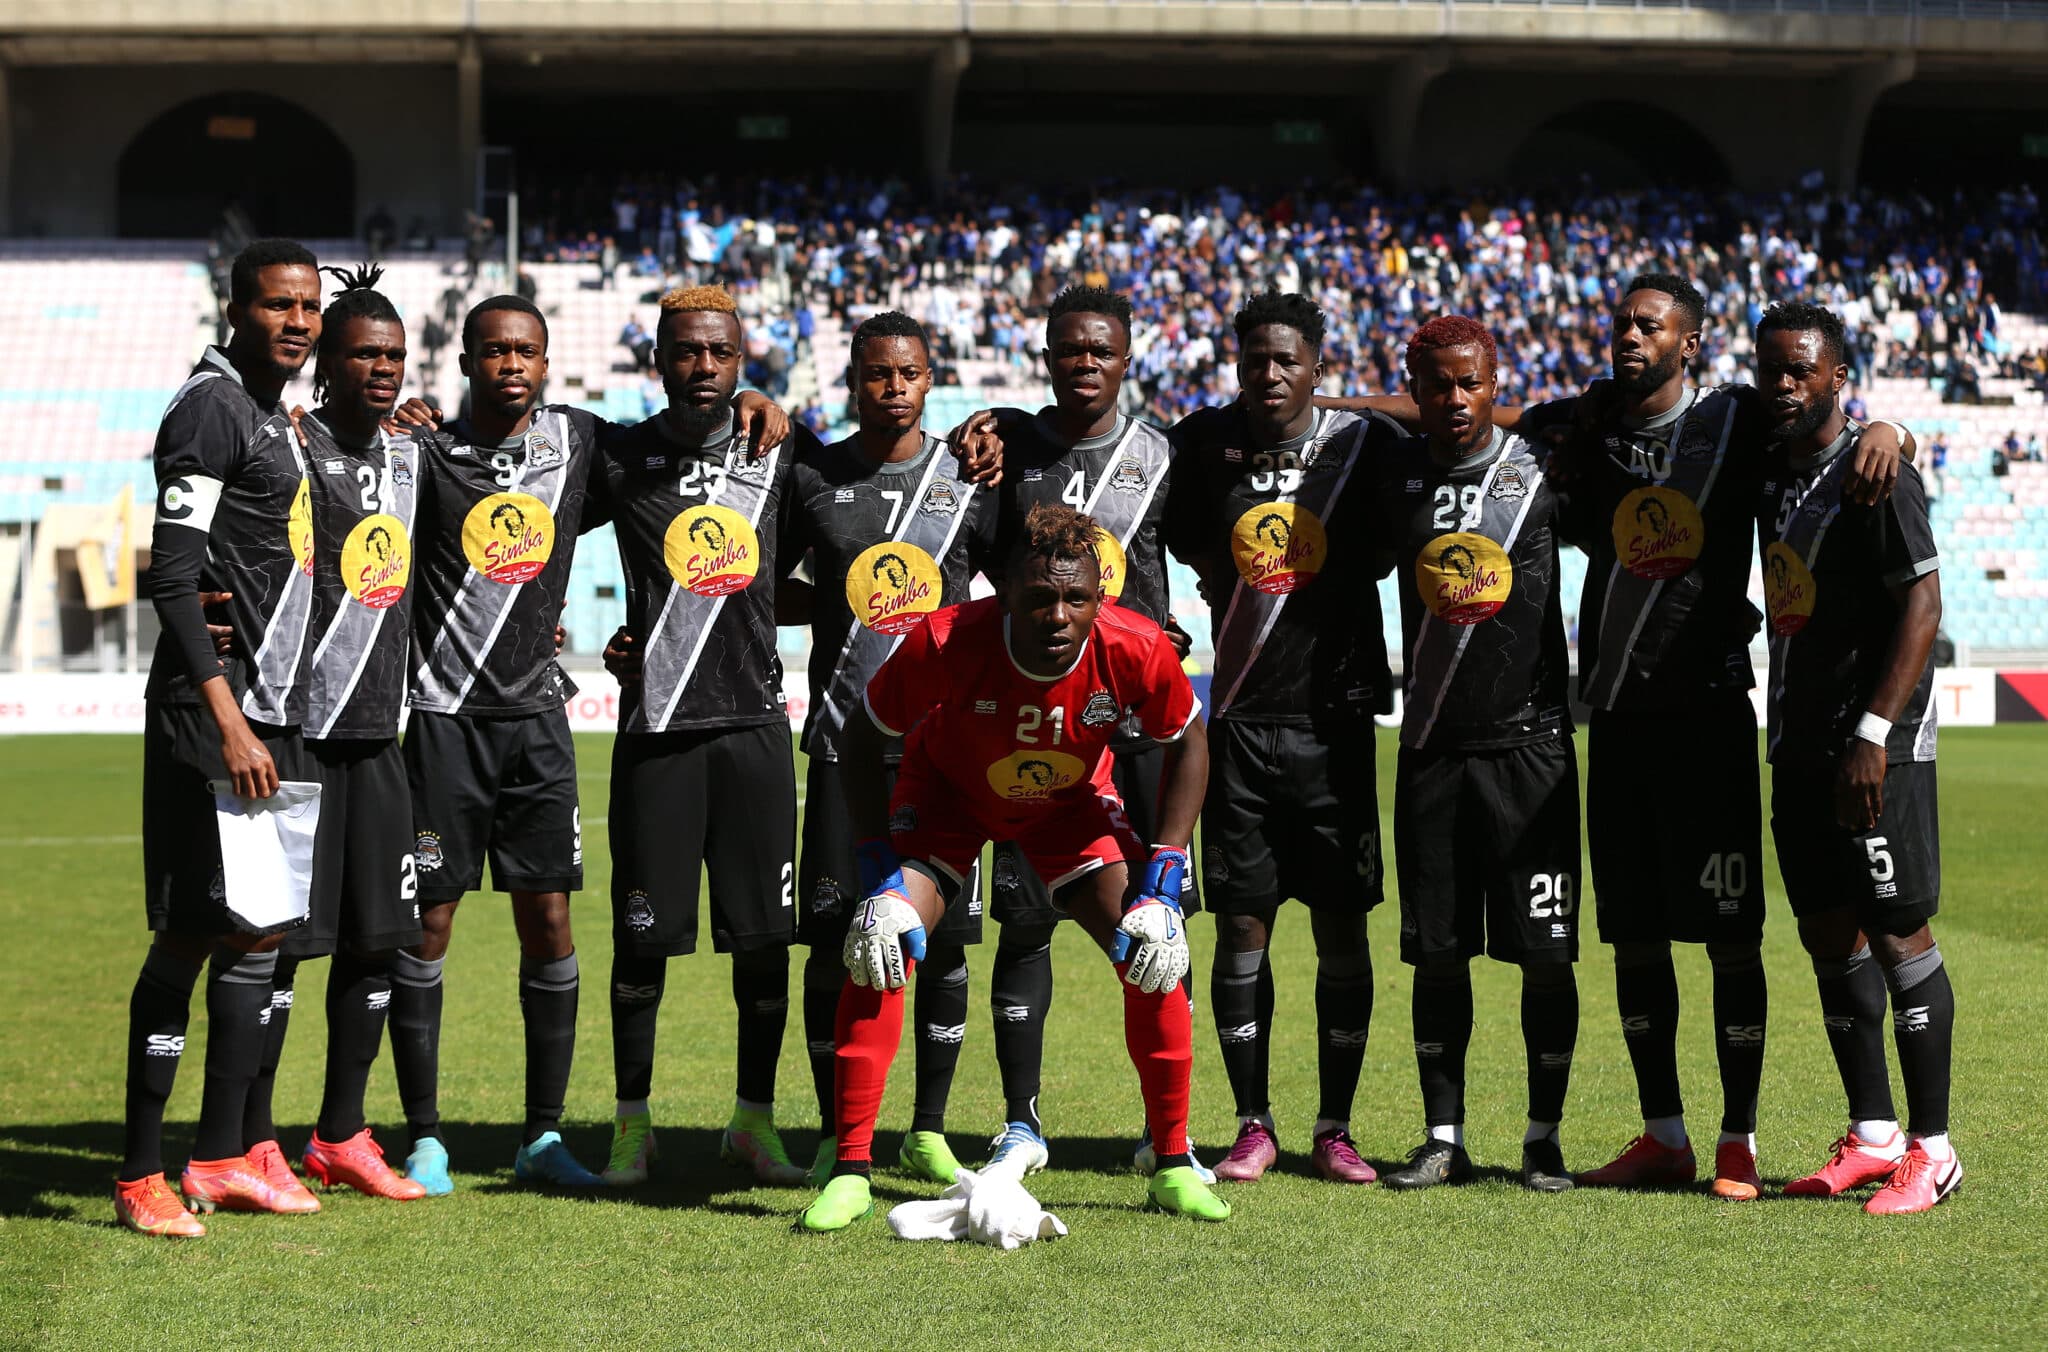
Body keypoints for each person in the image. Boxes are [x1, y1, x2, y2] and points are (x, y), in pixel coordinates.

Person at [1524, 274, 1908, 1200]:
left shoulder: (1736, 421)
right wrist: (1335, 398)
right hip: (1613, 716)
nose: (1627, 336)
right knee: (1635, 939)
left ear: (1688, 342)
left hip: (1708, 716)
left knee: (1732, 939)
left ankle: (1736, 1140)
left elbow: (1834, 425)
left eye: (1648, 325)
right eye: (1619, 321)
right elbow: (1457, 411)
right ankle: (1665, 1134)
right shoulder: (1585, 420)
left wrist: (1891, 427)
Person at [799, 504, 1229, 1230]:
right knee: (881, 938)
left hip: (1067, 805)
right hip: (950, 800)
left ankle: (1174, 1162)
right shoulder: (945, 639)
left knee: (1152, 945)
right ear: (1004, 592)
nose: (1058, 615)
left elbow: (1188, 741)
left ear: (1101, 597)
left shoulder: (1137, 645)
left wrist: (1163, 866)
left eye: (1077, 598)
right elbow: (863, 737)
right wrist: (877, 862)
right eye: (1039, 597)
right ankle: (850, 1168)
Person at [951, 285, 1200, 1177]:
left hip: (1138, 733)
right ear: (1047, 357)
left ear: (1126, 358)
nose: (1084, 364)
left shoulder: (1167, 454)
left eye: (1101, 351)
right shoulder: (1008, 454)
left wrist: (1174, 633)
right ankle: (1021, 1121)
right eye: (1069, 350)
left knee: (1157, 927)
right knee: (1025, 928)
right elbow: (973, 569)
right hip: (1043, 732)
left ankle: (1163, 1137)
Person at [384, 295, 616, 1193]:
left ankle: (543, 1138)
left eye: (525, 351)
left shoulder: (577, 442)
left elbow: (679, 453)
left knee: (549, 918)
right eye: (493, 351)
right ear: (468, 360)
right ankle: (427, 1137)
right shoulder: (426, 454)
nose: (510, 364)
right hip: (443, 722)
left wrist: (758, 406)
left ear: (547, 363)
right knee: (429, 919)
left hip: (537, 725)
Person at [1164, 292, 1398, 1184]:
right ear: (1236, 364)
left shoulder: (1359, 446)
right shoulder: (1200, 446)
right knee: (1242, 929)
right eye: (1254, 359)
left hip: (1335, 722)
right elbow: (1165, 538)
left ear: (1316, 367)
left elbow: (1434, 413)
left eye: (1287, 360)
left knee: (1342, 931)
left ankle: (1334, 1127)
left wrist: (1361, 406)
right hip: (1241, 727)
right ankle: (1253, 1124)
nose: (1269, 374)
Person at [119, 239, 327, 1237]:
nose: (296, 320)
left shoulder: (262, 412)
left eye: (308, 306)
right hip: (209, 720)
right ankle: (138, 1172)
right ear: (236, 309)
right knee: (194, 931)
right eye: (278, 304)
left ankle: (219, 1153)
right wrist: (229, 718)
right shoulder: (209, 406)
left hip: (261, 706)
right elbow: (170, 574)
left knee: (257, 926)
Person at [592, 285, 817, 1186]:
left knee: (764, 944)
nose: (704, 368)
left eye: (721, 354)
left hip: (756, 730)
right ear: (658, 360)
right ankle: (630, 1125)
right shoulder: (615, 458)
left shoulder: (779, 450)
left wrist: (746, 611)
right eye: (686, 352)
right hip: (658, 735)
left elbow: (822, 571)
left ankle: (752, 1123)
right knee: (643, 943)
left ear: (742, 360)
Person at [776, 311, 998, 1185]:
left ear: (930, 377)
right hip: (843, 748)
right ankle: (839, 1130)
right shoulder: (813, 479)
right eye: (876, 374)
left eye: (907, 373)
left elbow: (1013, 590)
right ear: (854, 380)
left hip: (947, 759)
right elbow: (773, 589)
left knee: (943, 947)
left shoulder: (969, 476)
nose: (893, 387)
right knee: (835, 942)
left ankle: (929, 1127)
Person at [1363, 316, 1580, 1193]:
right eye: (1437, 384)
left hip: (1533, 754)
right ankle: (1442, 1136)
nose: (1455, 400)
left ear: (1497, 385)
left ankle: (1542, 1137)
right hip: (1433, 752)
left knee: (1546, 955)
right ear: (1413, 389)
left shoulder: (1546, 466)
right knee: (1439, 955)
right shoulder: (1393, 473)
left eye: (1471, 383)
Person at [1751, 303, 1958, 1214]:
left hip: (1877, 748)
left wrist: (1874, 732)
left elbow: (1923, 607)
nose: (1786, 384)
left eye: (1803, 370)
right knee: (1827, 934)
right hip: (1798, 745)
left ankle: (1933, 1148)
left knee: (1898, 932)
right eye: (1773, 369)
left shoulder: (1878, 474)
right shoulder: (1768, 468)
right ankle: (1872, 1134)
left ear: (1840, 376)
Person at [262, 264, 429, 1202]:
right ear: (327, 359)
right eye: (365, 353)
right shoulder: (291, 446)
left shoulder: (415, 455)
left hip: (381, 739)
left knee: (378, 941)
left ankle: (342, 1133)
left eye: (396, 357)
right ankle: (253, 1139)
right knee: (284, 944)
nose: (383, 370)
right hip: (301, 736)